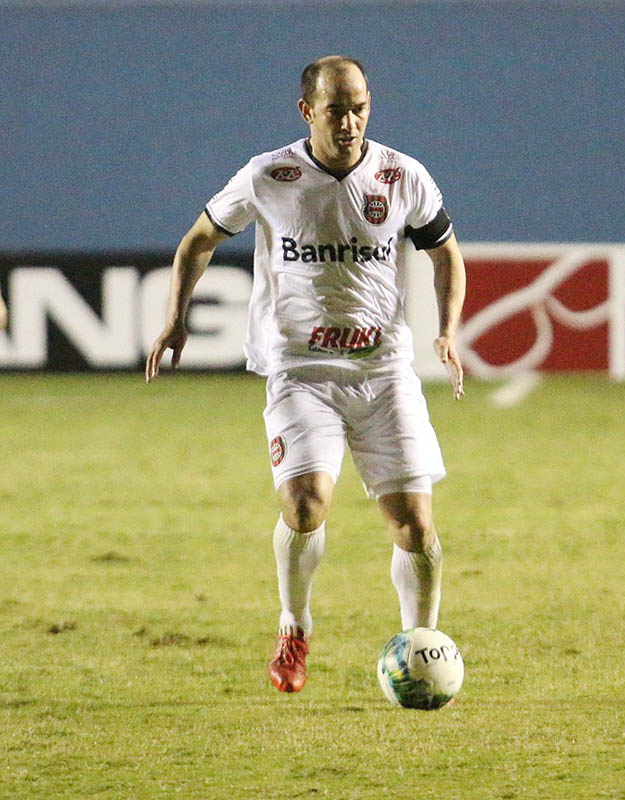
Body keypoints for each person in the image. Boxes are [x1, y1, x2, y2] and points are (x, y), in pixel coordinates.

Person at [145, 55, 466, 695]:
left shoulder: (403, 176)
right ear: (307, 111)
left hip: (382, 372)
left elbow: (446, 253)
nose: (349, 122)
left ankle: (420, 645)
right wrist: (176, 318)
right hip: (300, 372)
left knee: (414, 523)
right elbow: (199, 240)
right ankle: (295, 628)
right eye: (336, 109)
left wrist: (448, 331)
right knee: (305, 502)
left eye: (360, 108)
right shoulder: (271, 174)